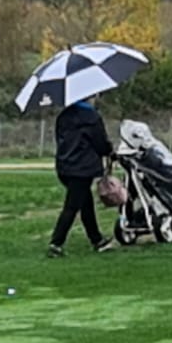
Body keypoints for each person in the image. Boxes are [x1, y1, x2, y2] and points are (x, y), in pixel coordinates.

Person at [48, 96, 116, 257]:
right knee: (72, 207)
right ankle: (56, 243)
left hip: (65, 166)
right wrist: (109, 151)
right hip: (82, 168)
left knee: (86, 204)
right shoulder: (92, 117)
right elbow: (100, 143)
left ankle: (97, 239)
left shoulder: (64, 116)